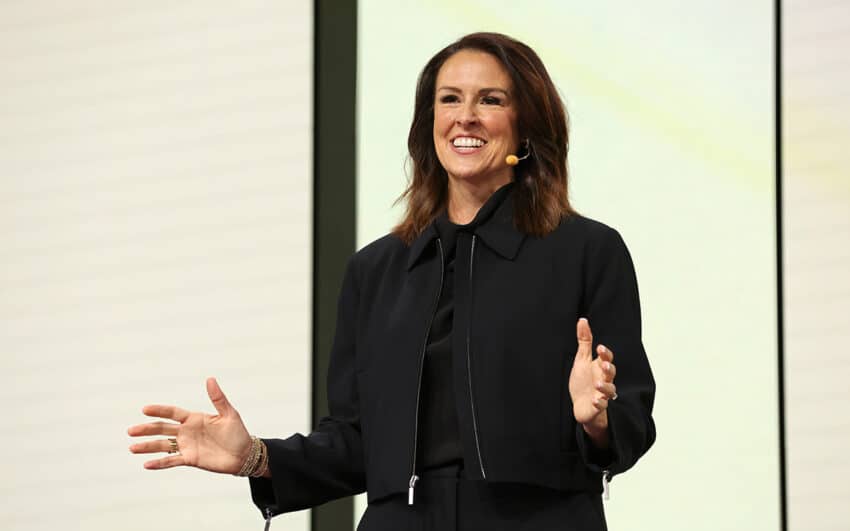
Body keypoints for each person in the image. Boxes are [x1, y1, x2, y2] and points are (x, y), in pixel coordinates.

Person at [128, 32, 655, 531]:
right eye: (449, 99)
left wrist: (596, 420)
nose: (465, 117)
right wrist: (256, 458)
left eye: (490, 100)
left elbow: (630, 418)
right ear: (430, 121)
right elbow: (357, 441)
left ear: (526, 125)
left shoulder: (586, 251)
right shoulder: (377, 270)